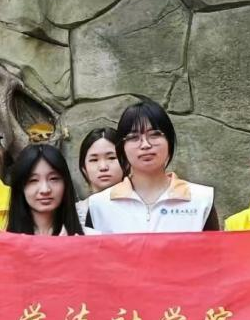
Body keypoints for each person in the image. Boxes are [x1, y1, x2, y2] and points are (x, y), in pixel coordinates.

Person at [85, 99, 218, 232]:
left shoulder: (201, 200)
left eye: (154, 135)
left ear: (169, 141)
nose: (145, 145)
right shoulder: (99, 206)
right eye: (134, 137)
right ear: (122, 147)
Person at [6, 144, 84, 236]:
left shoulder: (90, 237)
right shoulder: (4, 241)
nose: (45, 189)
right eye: (33, 180)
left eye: (53, 178)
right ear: (20, 187)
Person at [76, 127, 123, 226]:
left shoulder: (141, 208)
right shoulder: (74, 215)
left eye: (111, 158)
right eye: (94, 160)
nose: (103, 167)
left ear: (126, 162)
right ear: (84, 168)